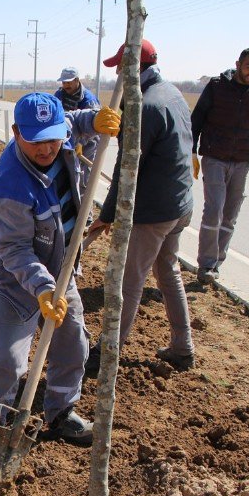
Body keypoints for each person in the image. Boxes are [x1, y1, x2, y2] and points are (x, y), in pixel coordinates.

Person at [0, 92, 121, 468]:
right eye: (38, 141)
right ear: (17, 133)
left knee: (73, 342)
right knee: (8, 359)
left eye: (53, 138)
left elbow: (74, 121)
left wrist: (95, 120)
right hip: (14, 279)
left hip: (61, 268)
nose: (49, 148)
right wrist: (44, 288)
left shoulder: (55, 130)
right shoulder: (10, 188)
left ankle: (61, 411)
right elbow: (15, 251)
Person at [86, 39, 197, 373]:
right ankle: (182, 347)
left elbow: (127, 167)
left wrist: (106, 215)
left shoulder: (142, 106)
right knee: (168, 272)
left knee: (128, 282)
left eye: (120, 67)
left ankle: (107, 352)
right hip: (179, 205)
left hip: (154, 213)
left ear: (133, 67)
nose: (118, 74)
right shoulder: (173, 93)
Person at [191, 47, 249, 284]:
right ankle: (205, 264)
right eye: (248, 67)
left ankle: (216, 263)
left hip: (241, 161)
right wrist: (191, 153)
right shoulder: (217, 86)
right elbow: (197, 119)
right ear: (238, 64)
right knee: (214, 210)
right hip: (214, 157)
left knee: (230, 216)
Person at [53, 67, 101, 190]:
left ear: (77, 80)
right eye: (64, 82)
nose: (66, 85)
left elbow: (95, 126)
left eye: (69, 82)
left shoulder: (89, 100)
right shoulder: (59, 95)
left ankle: (84, 207)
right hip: (66, 140)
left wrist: (80, 142)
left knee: (83, 179)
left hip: (87, 143)